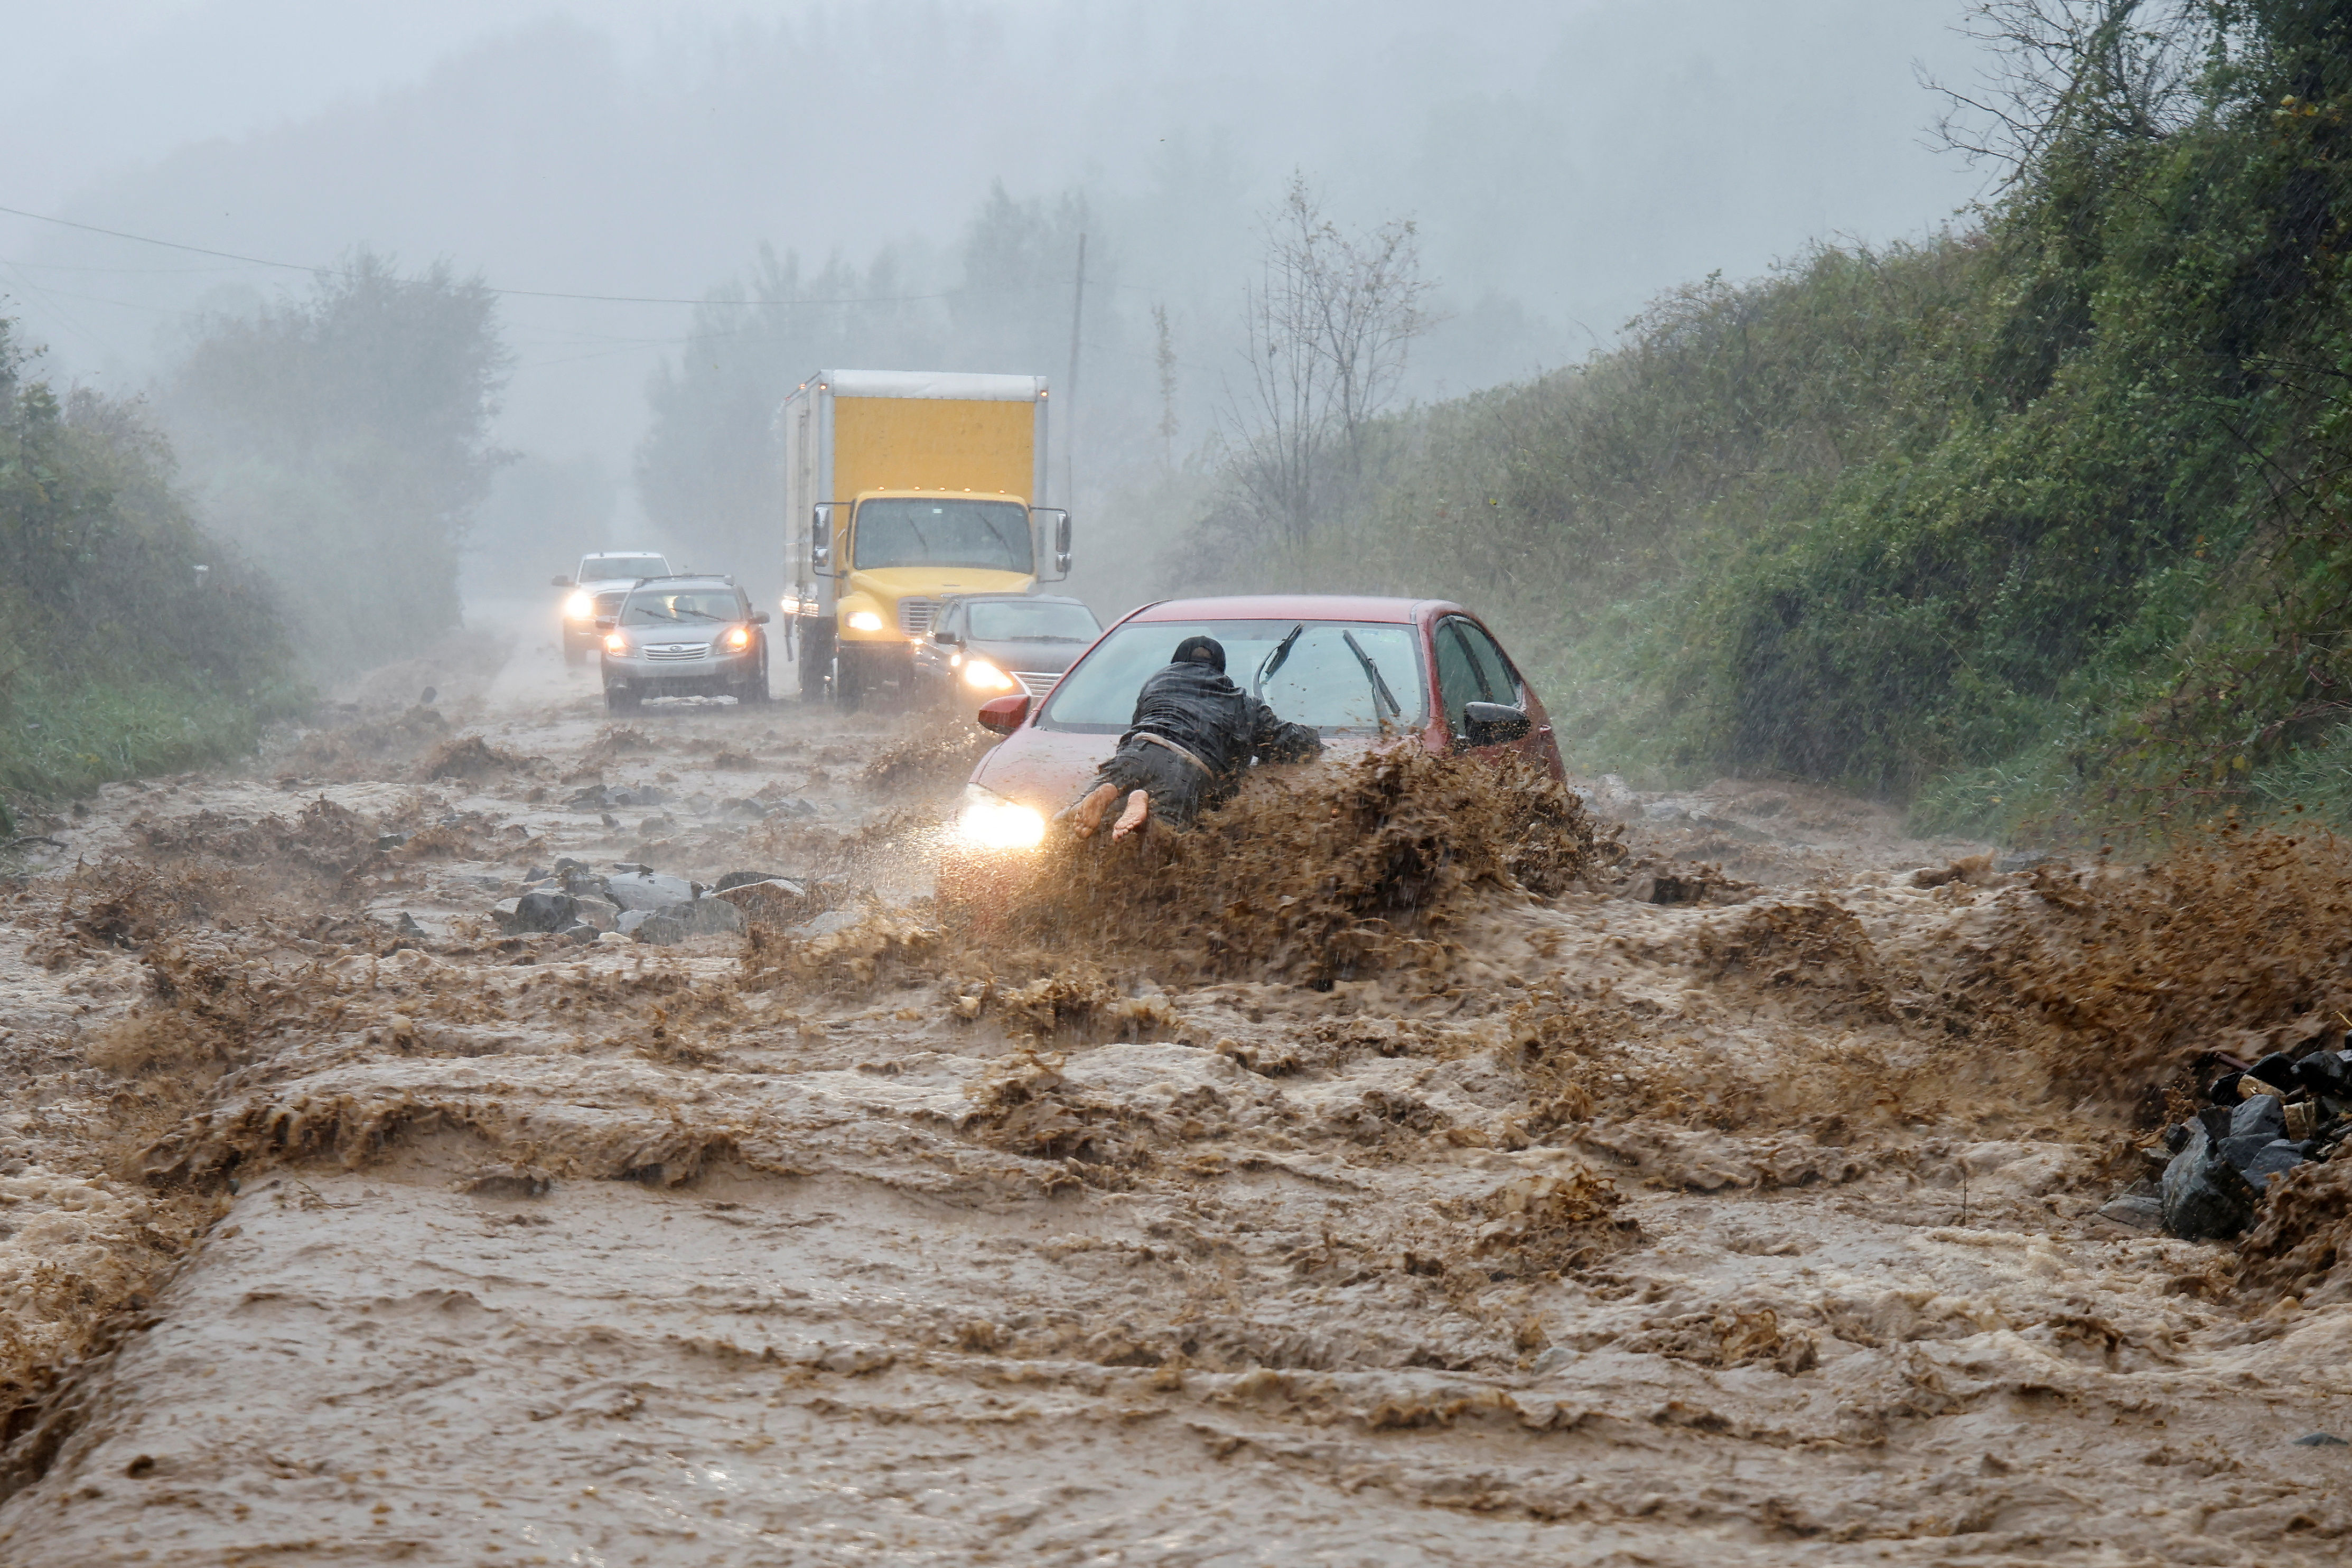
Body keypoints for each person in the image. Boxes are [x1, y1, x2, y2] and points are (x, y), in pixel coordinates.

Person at [1066, 634, 1323, 841]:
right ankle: (1145, 804)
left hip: (1139, 750)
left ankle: (1115, 787)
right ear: (1220, 669)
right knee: (1163, 841)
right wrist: (1315, 740)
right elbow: (1282, 740)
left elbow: (1133, 730)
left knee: (1072, 826)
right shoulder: (1241, 702)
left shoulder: (1155, 685)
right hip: (1187, 768)